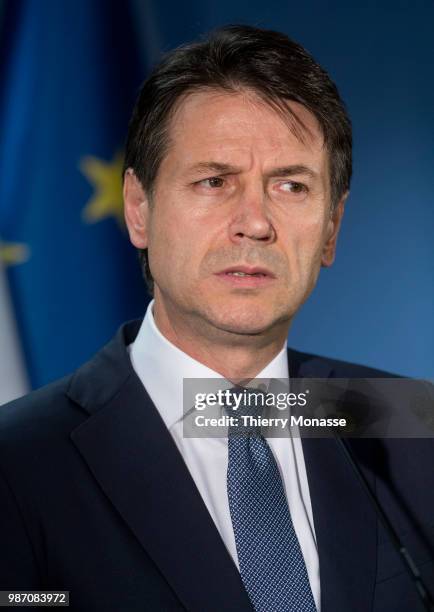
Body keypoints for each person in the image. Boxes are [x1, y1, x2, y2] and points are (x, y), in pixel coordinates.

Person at [0, 24, 433, 612]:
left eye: (291, 185)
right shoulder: (18, 460)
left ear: (331, 227)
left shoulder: (407, 425)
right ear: (139, 209)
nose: (255, 222)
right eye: (213, 181)